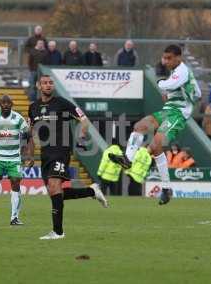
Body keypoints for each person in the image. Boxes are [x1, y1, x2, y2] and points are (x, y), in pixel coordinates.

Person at [109, 45, 201, 205]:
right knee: (139, 126)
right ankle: (128, 160)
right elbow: (185, 91)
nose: (165, 61)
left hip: (178, 114)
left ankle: (166, 188)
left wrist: (161, 83)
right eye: (164, 57)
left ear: (178, 58)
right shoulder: (177, 71)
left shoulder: (182, 71)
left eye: (169, 58)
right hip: (168, 110)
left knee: (156, 144)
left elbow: (169, 85)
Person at [27, 74, 107, 240]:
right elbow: (31, 132)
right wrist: (30, 154)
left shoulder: (62, 103)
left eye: (50, 83)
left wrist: (81, 137)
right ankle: (91, 190)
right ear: (38, 86)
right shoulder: (33, 107)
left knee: (55, 186)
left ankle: (58, 232)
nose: (48, 85)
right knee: (54, 191)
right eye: (44, 83)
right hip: (45, 153)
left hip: (61, 150)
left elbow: (84, 120)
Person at [0, 95, 29, 226]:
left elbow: (27, 134)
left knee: (15, 184)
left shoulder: (18, 118)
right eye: (4, 102)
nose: (6, 105)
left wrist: (26, 154)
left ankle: (14, 217)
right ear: (0, 104)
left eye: (8, 103)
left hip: (14, 157)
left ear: (12, 104)